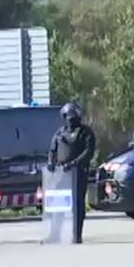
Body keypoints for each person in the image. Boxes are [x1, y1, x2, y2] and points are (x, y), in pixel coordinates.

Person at [47, 103, 97, 244]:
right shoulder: (59, 133)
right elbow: (52, 150)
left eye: (73, 115)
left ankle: (77, 235)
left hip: (78, 174)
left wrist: (74, 164)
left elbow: (88, 152)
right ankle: (55, 234)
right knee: (58, 206)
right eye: (67, 116)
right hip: (61, 174)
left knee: (77, 206)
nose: (70, 119)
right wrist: (51, 162)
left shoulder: (86, 133)